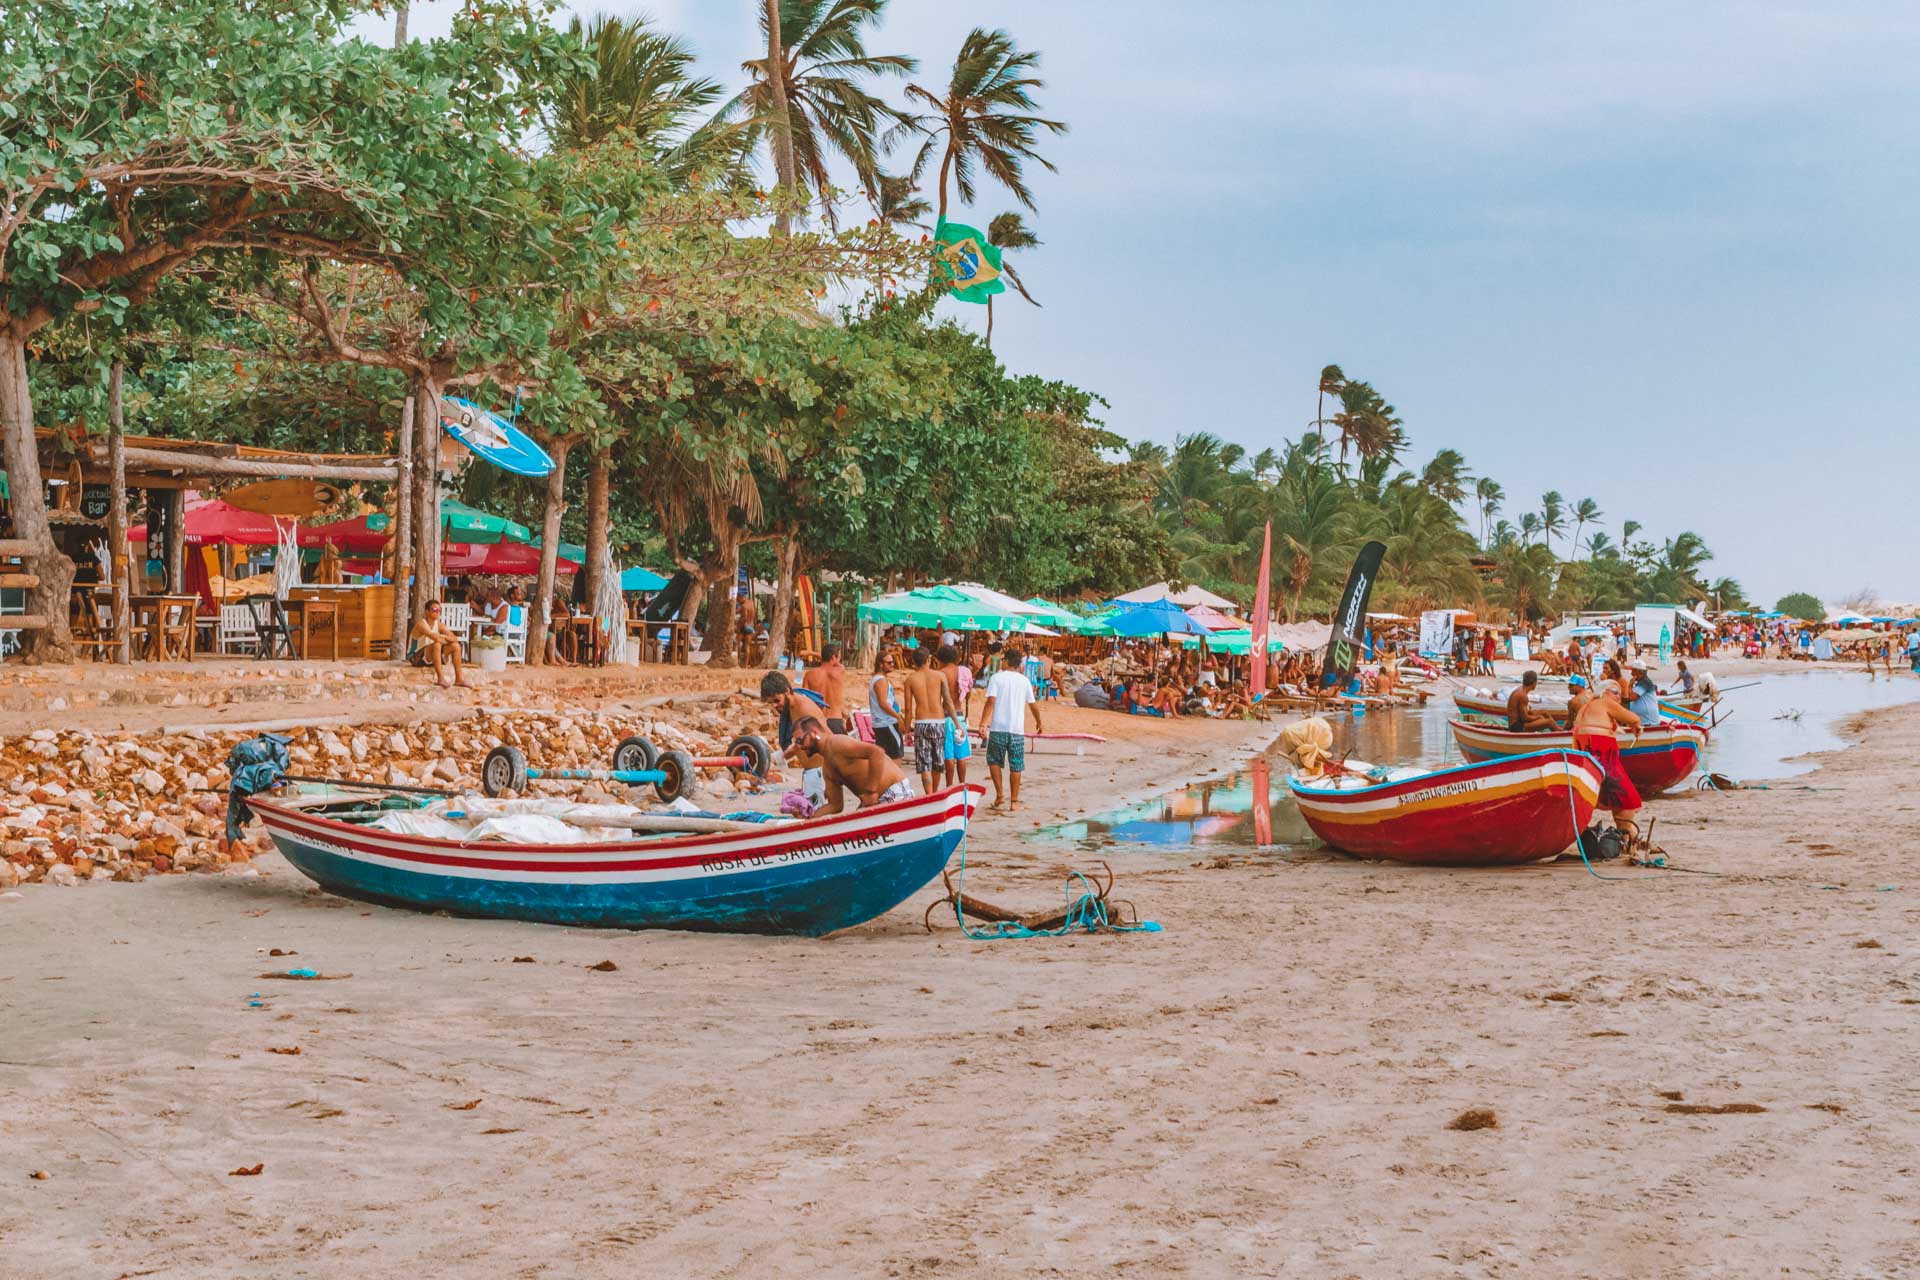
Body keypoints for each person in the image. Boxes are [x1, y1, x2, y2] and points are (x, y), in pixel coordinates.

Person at [1572, 670, 1645, 838]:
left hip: (1587, 755)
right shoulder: (1604, 702)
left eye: (1620, 694)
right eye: (1615, 692)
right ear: (1603, 692)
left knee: (1608, 795)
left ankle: (1623, 835)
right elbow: (1633, 717)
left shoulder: (1587, 706)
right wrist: (1636, 726)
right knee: (1626, 797)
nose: (1618, 697)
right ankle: (1628, 835)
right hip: (1601, 753)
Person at [794, 723, 914, 813]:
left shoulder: (838, 743)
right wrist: (809, 817)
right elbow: (835, 805)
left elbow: (876, 752)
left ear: (814, 733)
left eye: (800, 740)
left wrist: (871, 792)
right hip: (872, 801)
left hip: (894, 791)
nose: (799, 747)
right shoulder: (828, 768)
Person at [978, 646, 1042, 811]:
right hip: (1016, 730)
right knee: (1016, 764)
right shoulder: (1024, 680)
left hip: (998, 727)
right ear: (1019, 664)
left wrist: (983, 723)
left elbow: (990, 702)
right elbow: (1033, 705)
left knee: (993, 760)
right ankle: (1014, 801)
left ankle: (1000, 795)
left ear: (1006, 661)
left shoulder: (997, 678)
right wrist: (1039, 722)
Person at [900, 646, 954, 794]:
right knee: (937, 762)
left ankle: (929, 795)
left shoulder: (910, 680)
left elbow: (909, 709)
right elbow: (948, 702)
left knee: (925, 764)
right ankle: (935, 793)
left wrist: (906, 730)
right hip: (938, 722)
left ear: (914, 662)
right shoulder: (940, 676)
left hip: (921, 723)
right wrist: (957, 724)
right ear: (929, 659)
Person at [408, 601, 472, 688]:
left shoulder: (439, 625)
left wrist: (443, 636)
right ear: (427, 611)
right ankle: (441, 678)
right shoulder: (421, 624)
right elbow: (436, 638)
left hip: (432, 654)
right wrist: (444, 639)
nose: (437, 612)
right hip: (415, 657)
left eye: (439, 610)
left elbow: (455, 638)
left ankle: (459, 679)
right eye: (434, 609)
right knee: (437, 644)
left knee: (455, 646)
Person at [936, 643, 973, 787]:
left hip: (945, 717)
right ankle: (962, 784)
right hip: (959, 716)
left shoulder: (941, 674)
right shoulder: (963, 672)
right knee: (961, 755)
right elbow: (967, 694)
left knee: (949, 756)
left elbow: (938, 698)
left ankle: (949, 786)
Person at [804, 644, 850, 733]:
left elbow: (805, 699)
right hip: (835, 719)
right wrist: (813, 653)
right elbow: (835, 663)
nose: (839, 660)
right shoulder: (839, 670)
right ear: (833, 657)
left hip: (817, 721)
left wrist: (810, 653)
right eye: (839, 657)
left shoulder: (809, 675)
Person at [868, 651, 905, 760]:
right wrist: (898, 717)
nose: (892, 664)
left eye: (892, 662)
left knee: (884, 759)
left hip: (882, 723)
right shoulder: (880, 680)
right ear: (880, 664)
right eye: (889, 663)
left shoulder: (878, 679)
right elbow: (883, 703)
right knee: (896, 757)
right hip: (887, 723)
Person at [1626, 658, 1661, 726]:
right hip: (1644, 722)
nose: (1631, 672)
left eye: (1633, 670)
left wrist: (1630, 685)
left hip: (1648, 722)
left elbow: (1632, 697)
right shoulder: (1641, 682)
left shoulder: (1644, 682)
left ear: (1638, 671)